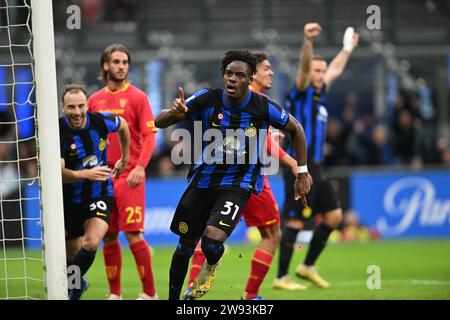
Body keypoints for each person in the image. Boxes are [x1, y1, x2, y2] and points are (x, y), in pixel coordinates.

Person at [155, 49, 312, 300]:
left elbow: (297, 128)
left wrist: (302, 171)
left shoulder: (263, 106)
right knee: (184, 247)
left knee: (211, 243)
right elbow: (159, 122)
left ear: (250, 79)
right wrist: (174, 113)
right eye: (229, 74)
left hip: (238, 184)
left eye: (239, 75)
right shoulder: (208, 98)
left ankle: (219, 269)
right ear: (222, 75)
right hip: (203, 181)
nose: (232, 79)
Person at [275, 23, 359, 289]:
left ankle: (307, 265)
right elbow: (302, 71)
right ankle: (281, 277)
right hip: (298, 165)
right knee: (296, 220)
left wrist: (347, 48)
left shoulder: (319, 96)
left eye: (323, 71)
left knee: (334, 217)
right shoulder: (299, 94)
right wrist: (307, 42)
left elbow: (336, 69)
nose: (322, 75)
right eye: (317, 71)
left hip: (318, 167)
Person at [88, 44, 159, 300]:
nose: (121, 66)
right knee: (108, 235)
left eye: (125, 62)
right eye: (116, 62)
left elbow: (150, 136)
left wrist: (140, 165)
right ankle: (114, 294)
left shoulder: (138, 97)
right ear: (106, 65)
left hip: (130, 177)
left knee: (133, 233)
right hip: (103, 177)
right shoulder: (95, 100)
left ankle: (150, 293)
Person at [59, 84, 130, 300]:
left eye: (81, 106)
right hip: (70, 198)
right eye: (71, 107)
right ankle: (78, 283)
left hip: (100, 192)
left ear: (87, 105)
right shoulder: (57, 131)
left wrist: (125, 158)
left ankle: (70, 291)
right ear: (63, 108)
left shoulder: (100, 121)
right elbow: (58, 173)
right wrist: (85, 175)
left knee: (91, 242)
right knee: (72, 253)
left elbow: (124, 125)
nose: (77, 112)